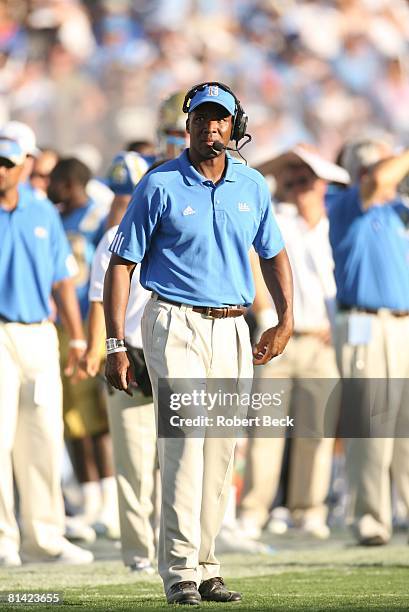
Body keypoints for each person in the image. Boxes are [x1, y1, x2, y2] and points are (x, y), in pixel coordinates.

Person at [103, 82, 293, 605]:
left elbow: (274, 254)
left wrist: (285, 318)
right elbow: (121, 265)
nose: (212, 127)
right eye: (203, 118)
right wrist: (115, 342)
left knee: (220, 450)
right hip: (175, 322)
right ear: (187, 124)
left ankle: (207, 564)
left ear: (235, 126)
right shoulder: (158, 183)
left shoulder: (252, 185)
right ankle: (180, 570)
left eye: (221, 119)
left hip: (234, 327)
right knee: (186, 443)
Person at [238, 145, 349, 540]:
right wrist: (267, 316)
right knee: (265, 429)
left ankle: (309, 509)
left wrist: (336, 325)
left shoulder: (334, 220)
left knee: (315, 431)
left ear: (320, 185)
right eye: (291, 180)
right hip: (277, 336)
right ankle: (254, 510)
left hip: (321, 339)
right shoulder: (274, 217)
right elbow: (255, 266)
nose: (298, 187)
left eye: (306, 180)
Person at [0, 138, 93, 565]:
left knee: (44, 436)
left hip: (39, 334)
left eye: (7, 164)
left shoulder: (42, 213)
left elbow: (62, 280)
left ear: (23, 167)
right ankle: (4, 540)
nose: (1, 171)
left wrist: (76, 337)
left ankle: (45, 538)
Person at [328, 138, 409, 545]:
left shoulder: (398, 210)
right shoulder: (345, 205)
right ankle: (370, 519)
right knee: (371, 425)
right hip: (364, 325)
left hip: (402, 325)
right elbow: (379, 176)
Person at [81, 150, 156, 573]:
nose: (121, 202)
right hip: (130, 352)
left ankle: (173, 549)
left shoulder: (165, 228)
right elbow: (97, 298)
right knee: (133, 461)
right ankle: (138, 553)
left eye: (128, 193)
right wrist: (103, 348)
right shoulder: (111, 238)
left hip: (170, 352)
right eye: (118, 194)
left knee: (176, 461)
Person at [47, 157, 117, 537]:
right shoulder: (56, 217)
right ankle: (90, 499)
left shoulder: (97, 217)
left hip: (92, 321)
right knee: (75, 417)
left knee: (101, 416)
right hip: (61, 323)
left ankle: (110, 498)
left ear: (70, 182)